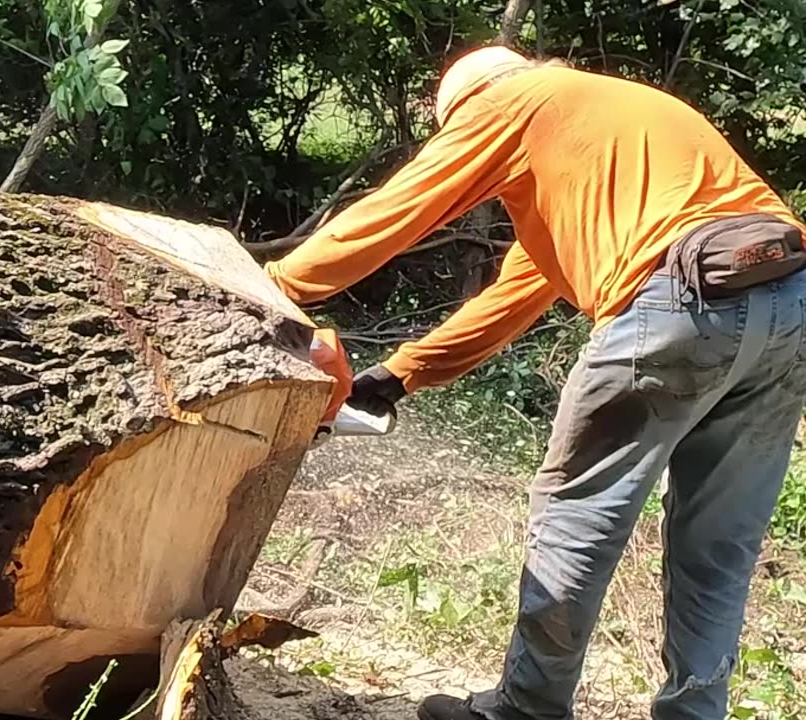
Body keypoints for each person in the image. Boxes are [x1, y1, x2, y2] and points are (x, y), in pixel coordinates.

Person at [269, 46, 806, 720]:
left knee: (577, 512)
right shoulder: (598, 152)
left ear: (475, 107)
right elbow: (509, 303)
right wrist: (397, 376)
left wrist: (274, 289)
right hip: (790, 304)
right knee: (719, 537)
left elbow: (398, 210)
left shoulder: (514, 101)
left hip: (678, 296)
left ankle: (525, 709)